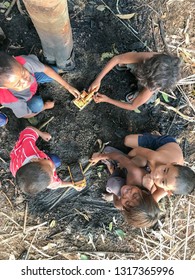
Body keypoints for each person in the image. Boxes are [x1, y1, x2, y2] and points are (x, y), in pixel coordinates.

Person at [90, 146, 161, 228]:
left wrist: (116, 195)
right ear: (144, 192)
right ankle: (120, 167)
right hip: (134, 166)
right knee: (107, 150)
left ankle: (114, 170)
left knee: (112, 185)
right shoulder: (136, 174)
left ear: (124, 208)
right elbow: (120, 157)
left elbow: (117, 204)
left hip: (126, 177)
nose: (127, 195)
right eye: (135, 195)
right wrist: (99, 157)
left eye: (127, 203)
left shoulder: (121, 205)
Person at [88, 52, 181, 111]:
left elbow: (132, 106)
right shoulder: (148, 58)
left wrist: (107, 100)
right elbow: (117, 58)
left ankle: (137, 92)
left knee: (142, 99)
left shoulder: (152, 86)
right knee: (123, 60)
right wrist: (98, 79)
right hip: (143, 66)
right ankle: (128, 64)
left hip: (148, 84)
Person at [0, 51, 80, 119]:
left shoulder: (23, 61)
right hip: (28, 100)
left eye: (23, 73)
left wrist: (68, 86)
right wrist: (45, 106)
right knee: (37, 104)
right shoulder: (10, 100)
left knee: (53, 71)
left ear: (15, 59)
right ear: (4, 87)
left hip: (34, 80)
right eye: (18, 83)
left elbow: (46, 69)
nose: (26, 81)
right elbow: (26, 115)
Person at [10, 126, 80, 195]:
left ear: (35, 159)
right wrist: (72, 184)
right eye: (52, 172)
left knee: (55, 161)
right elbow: (58, 184)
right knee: (56, 161)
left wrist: (42, 134)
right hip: (16, 166)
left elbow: (29, 129)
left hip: (18, 157)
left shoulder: (28, 147)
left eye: (50, 165)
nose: (53, 168)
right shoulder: (48, 180)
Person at [124, 133, 195, 201]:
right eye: (164, 170)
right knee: (127, 141)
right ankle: (155, 137)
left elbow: (151, 203)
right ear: (170, 164)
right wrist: (125, 159)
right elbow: (137, 150)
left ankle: (147, 160)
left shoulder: (167, 187)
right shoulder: (155, 158)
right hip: (164, 143)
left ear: (168, 191)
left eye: (163, 181)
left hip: (159, 161)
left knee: (142, 163)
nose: (157, 175)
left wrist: (148, 188)